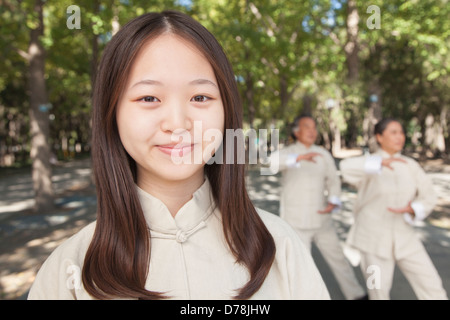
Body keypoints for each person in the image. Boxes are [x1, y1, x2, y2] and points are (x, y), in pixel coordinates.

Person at [28, 10, 329, 300]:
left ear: (226, 110)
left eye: (200, 97)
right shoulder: (69, 271)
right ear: (112, 112)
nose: (178, 123)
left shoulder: (280, 246)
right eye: (148, 97)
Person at [339, 118, 448, 300]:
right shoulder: (369, 164)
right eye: (393, 132)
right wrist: (378, 164)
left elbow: (429, 195)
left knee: (432, 287)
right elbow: (345, 168)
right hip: (372, 239)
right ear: (379, 137)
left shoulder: (409, 164)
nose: (400, 137)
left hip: (405, 236)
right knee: (378, 293)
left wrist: (414, 208)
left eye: (401, 132)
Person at [269, 115, 367, 300]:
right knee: (300, 267)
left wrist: (334, 200)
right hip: (295, 221)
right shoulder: (288, 152)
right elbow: (271, 163)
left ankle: (356, 294)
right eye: (307, 127)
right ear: (296, 132)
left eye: (314, 127)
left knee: (338, 259)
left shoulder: (323, 154)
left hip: (321, 217)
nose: (312, 131)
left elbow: (333, 180)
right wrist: (299, 157)